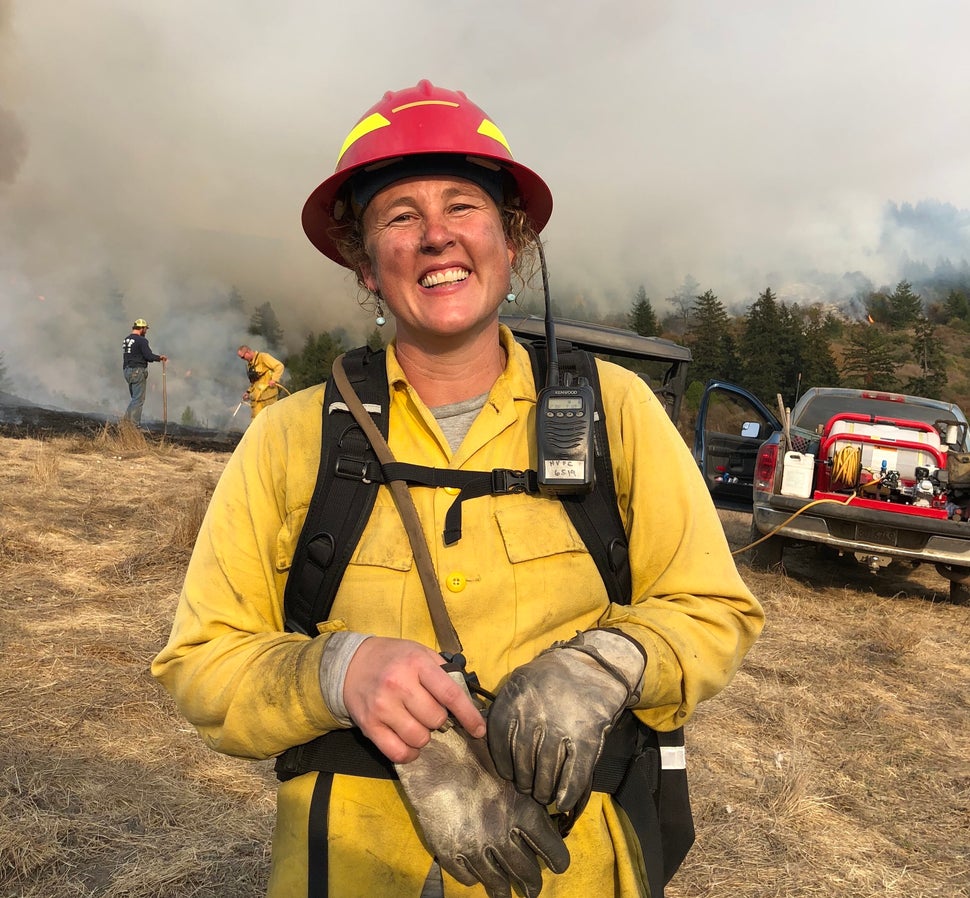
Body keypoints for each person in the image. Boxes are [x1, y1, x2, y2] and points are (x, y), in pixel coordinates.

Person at [152, 80, 764, 898]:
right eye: (400, 216)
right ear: (366, 265)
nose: (437, 236)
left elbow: (715, 609)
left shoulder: (617, 414)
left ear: (512, 242)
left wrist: (610, 662)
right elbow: (202, 662)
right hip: (350, 870)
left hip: (578, 868)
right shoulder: (291, 439)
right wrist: (339, 672)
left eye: (464, 207)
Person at [122, 318, 167, 425]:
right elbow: (148, 356)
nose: (146, 331)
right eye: (145, 329)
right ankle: (133, 426)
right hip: (137, 371)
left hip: (127, 371)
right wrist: (160, 358)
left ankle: (125, 422)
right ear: (141, 328)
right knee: (138, 400)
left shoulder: (127, 339)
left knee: (134, 399)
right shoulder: (141, 340)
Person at [237, 345, 285, 418]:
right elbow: (255, 382)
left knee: (270, 418)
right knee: (256, 421)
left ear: (248, 352)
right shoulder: (250, 365)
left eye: (243, 357)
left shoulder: (263, 357)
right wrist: (248, 392)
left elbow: (279, 366)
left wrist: (274, 380)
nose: (243, 359)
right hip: (257, 399)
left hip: (268, 397)